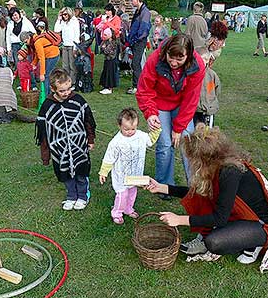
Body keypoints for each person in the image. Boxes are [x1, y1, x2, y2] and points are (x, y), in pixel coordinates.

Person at [145, 124, 268, 271]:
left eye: (193, 159)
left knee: (214, 242)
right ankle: (240, 235)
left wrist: (179, 219)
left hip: (259, 223)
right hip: (239, 215)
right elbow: (198, 193)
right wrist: (161, 188)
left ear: (204, 159)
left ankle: (254, 243)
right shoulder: (219, 164)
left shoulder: (229, 172)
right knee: (202, 200)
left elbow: (220, 218)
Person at [135, 34, 205, 199]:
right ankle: (164, 187)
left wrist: (179, 128)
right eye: (170, 58)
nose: (173, 63)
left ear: (188, 56)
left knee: (187, 143)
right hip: (159, 104)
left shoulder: (198, 66)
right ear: (165, 52)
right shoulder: (155, 59)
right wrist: (150, 113)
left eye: (179, 60)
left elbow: (191, 99)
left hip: (182, 104)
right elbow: (144, 90)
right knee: (165, 144)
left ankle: (196, 188)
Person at [35, 68, 96, 211]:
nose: (66, 93)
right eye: (62, 91)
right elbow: (43, 132)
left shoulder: (78, 100)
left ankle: (83, 195)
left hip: (79, 145)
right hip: (59, 149)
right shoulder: (47, 106)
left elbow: (88, 121)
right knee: (65, 173)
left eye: (69, 89)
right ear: (52, 88)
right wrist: (45, 154)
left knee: (81, 172)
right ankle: (71, 196)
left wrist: (90, 139)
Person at [99, 108, 161, 225]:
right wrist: (103, 172)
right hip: (121, 176)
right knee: (122, 195)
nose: (130, 132)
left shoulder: (140, 136)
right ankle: (117, 212)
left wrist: (156, 130)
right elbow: (109, 158)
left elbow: (150, 140)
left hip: (135, 174)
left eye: (133, 128)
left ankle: (128, 209)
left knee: (132, 193)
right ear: (119, 126)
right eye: (126, 129)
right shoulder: (116, 142)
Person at [19, 30, 60, 96]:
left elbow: (42, 58)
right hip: (49, 55)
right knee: (47, 75)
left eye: (26, 41)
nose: (26, 44)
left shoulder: (37, 43)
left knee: (46, 76)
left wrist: (41, 74)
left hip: (53, 56)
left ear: (29, 37)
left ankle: (46, 95)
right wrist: (34, 63)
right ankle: (50, 93)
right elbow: (37, 54)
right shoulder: (35, 39)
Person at [126, 0, 151, 95]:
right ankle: (138, 85)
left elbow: (143, 30)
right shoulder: (138, 11)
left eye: (132, 0)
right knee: (135, 63)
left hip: (139, 41)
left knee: (136, 63)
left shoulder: (145, 12)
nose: (131, 2)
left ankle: (138, 86)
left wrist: (135, 39)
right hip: (135, 41)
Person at [194, 47, 220, 128]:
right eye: (199, 59)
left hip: (208, 109)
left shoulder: (212, 75)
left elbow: (217, 90)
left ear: (208, 60)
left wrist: (211, 101)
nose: (202, 62)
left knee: (208, 132)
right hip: (194, 110)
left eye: (205, 59)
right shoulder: (191, 74)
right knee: (194, 131)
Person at [54, 7, 80, 85]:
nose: (64, 16)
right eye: (62, 14)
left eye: (65, 14)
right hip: (65, 45)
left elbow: (76, 35)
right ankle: (66, 81)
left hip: (72, 45)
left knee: (72, 66)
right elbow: (56, 30)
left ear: (69, 13)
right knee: (65, 66)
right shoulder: (62, 21)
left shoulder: (74, 21)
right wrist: (58, 19)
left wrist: (75, 48)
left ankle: (72, 82)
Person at [99, 28, 118, 95]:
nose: (104, 36)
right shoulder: (106, 41)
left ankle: (110, 88)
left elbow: (107, 51)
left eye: (105, 35)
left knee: (110, 74)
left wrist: (104, 47)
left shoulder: (113, 42)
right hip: (107, 60)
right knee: (106, 72)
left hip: (111, 60)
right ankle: (105, 86)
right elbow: (101, 49)